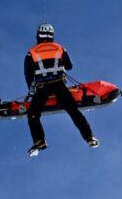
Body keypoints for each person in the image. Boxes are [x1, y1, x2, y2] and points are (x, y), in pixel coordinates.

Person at [24, 23, 98, 155]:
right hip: (59, 85)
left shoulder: (31, 52)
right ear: (52, 35)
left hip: (42, 88)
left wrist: (31, 90)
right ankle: (89, 137)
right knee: (73, 111)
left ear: (38, 35)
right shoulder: (60, 48)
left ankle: (39, 140)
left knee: (33, 115)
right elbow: (69, 66)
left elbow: (28, 73)